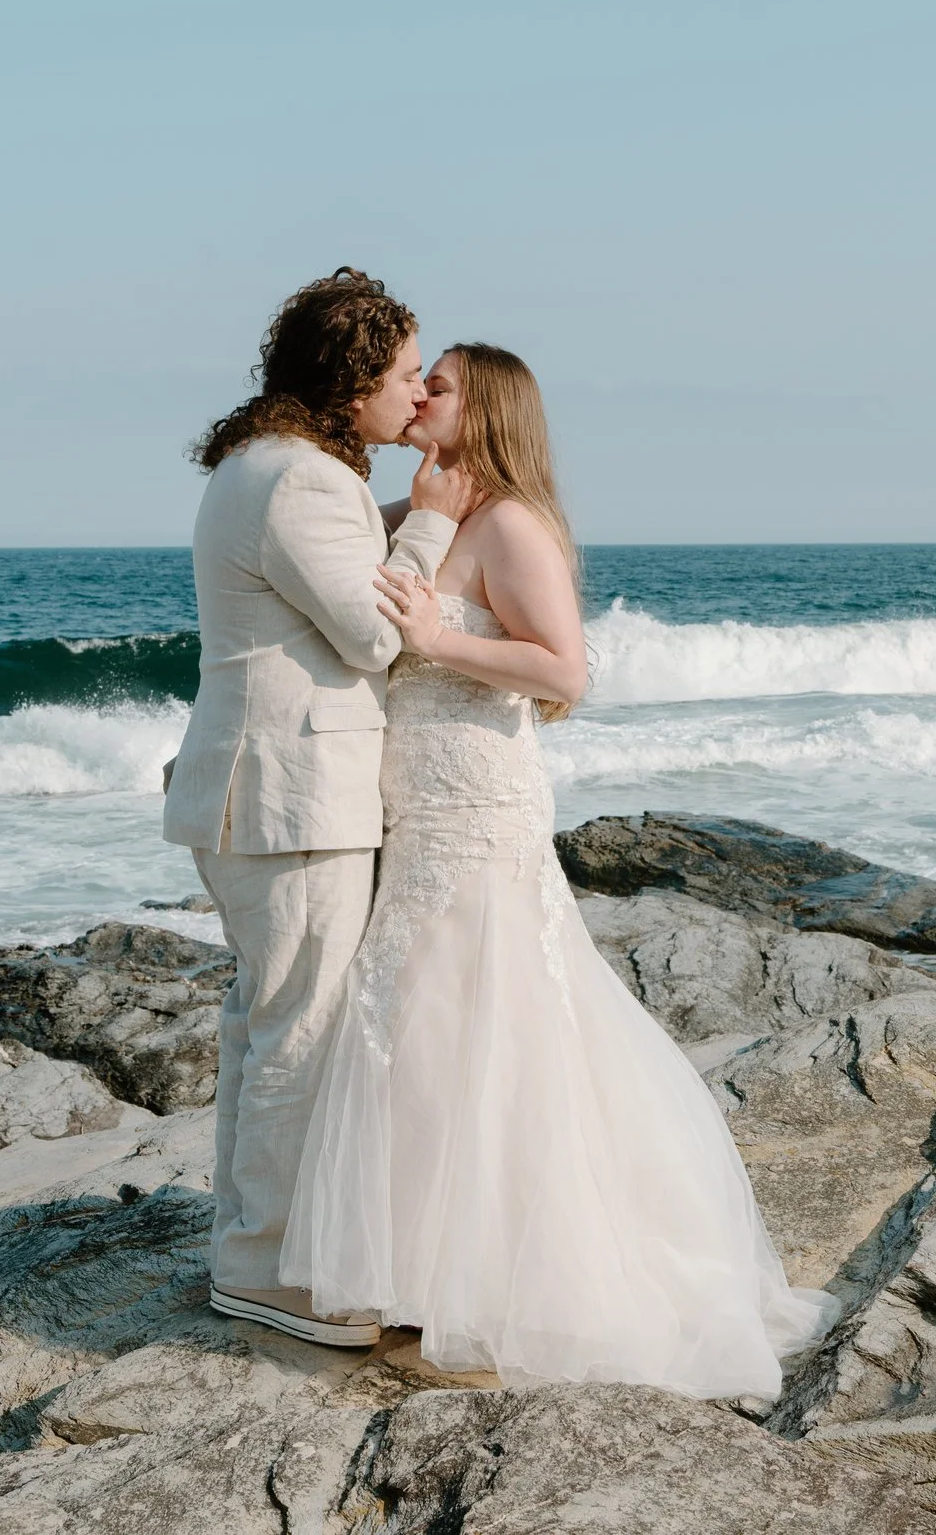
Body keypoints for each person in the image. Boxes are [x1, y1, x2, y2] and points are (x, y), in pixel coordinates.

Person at [278, 343, 837, 1398]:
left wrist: (440, 640)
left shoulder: (512, 522)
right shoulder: (407, 514)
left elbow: (562, 669)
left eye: (436, 383)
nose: (417, 394)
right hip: (412, 795)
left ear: (481, 407)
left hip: (480, 797)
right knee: (418, 1018)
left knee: (489, 1012)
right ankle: (414, 1260)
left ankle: (509, 1271)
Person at [163, 268, 479, 1347]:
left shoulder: (274, 468)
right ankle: (268, 1270)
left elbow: (325, 576)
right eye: (399, 375)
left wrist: (393, 511)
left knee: (266, 1021)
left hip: (262, 794)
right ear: (349, 386)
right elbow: (376, 632)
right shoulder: (300, 481)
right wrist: (430, 528)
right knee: (297, 1029)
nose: (416, 394)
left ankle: (250, 1245)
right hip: (290, 801)